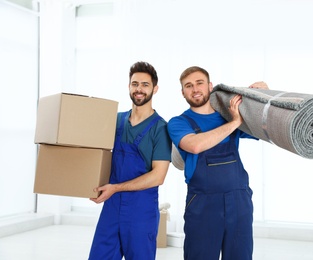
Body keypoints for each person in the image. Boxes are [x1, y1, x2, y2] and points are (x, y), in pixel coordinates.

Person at [167, 66, 268, 260]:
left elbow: (264, 126)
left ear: (210, 86)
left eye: (199, 83)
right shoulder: (178, 122)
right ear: (183, 93)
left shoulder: (229, 115)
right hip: (203, 205)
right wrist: (234, 123)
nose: (195, 89)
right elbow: (195, 145)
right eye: (188, 86)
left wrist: (262, 94)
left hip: (238, 202)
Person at [89, 61, 172, 260]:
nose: (139, 89)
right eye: (135, 84)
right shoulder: (115, 120)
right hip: (112, 207)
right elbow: (93, 150)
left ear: (155, 89)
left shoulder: (161, 129)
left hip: (140, 212)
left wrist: (116, 188)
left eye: (145, 84)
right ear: (129, 87)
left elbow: (158, 176)